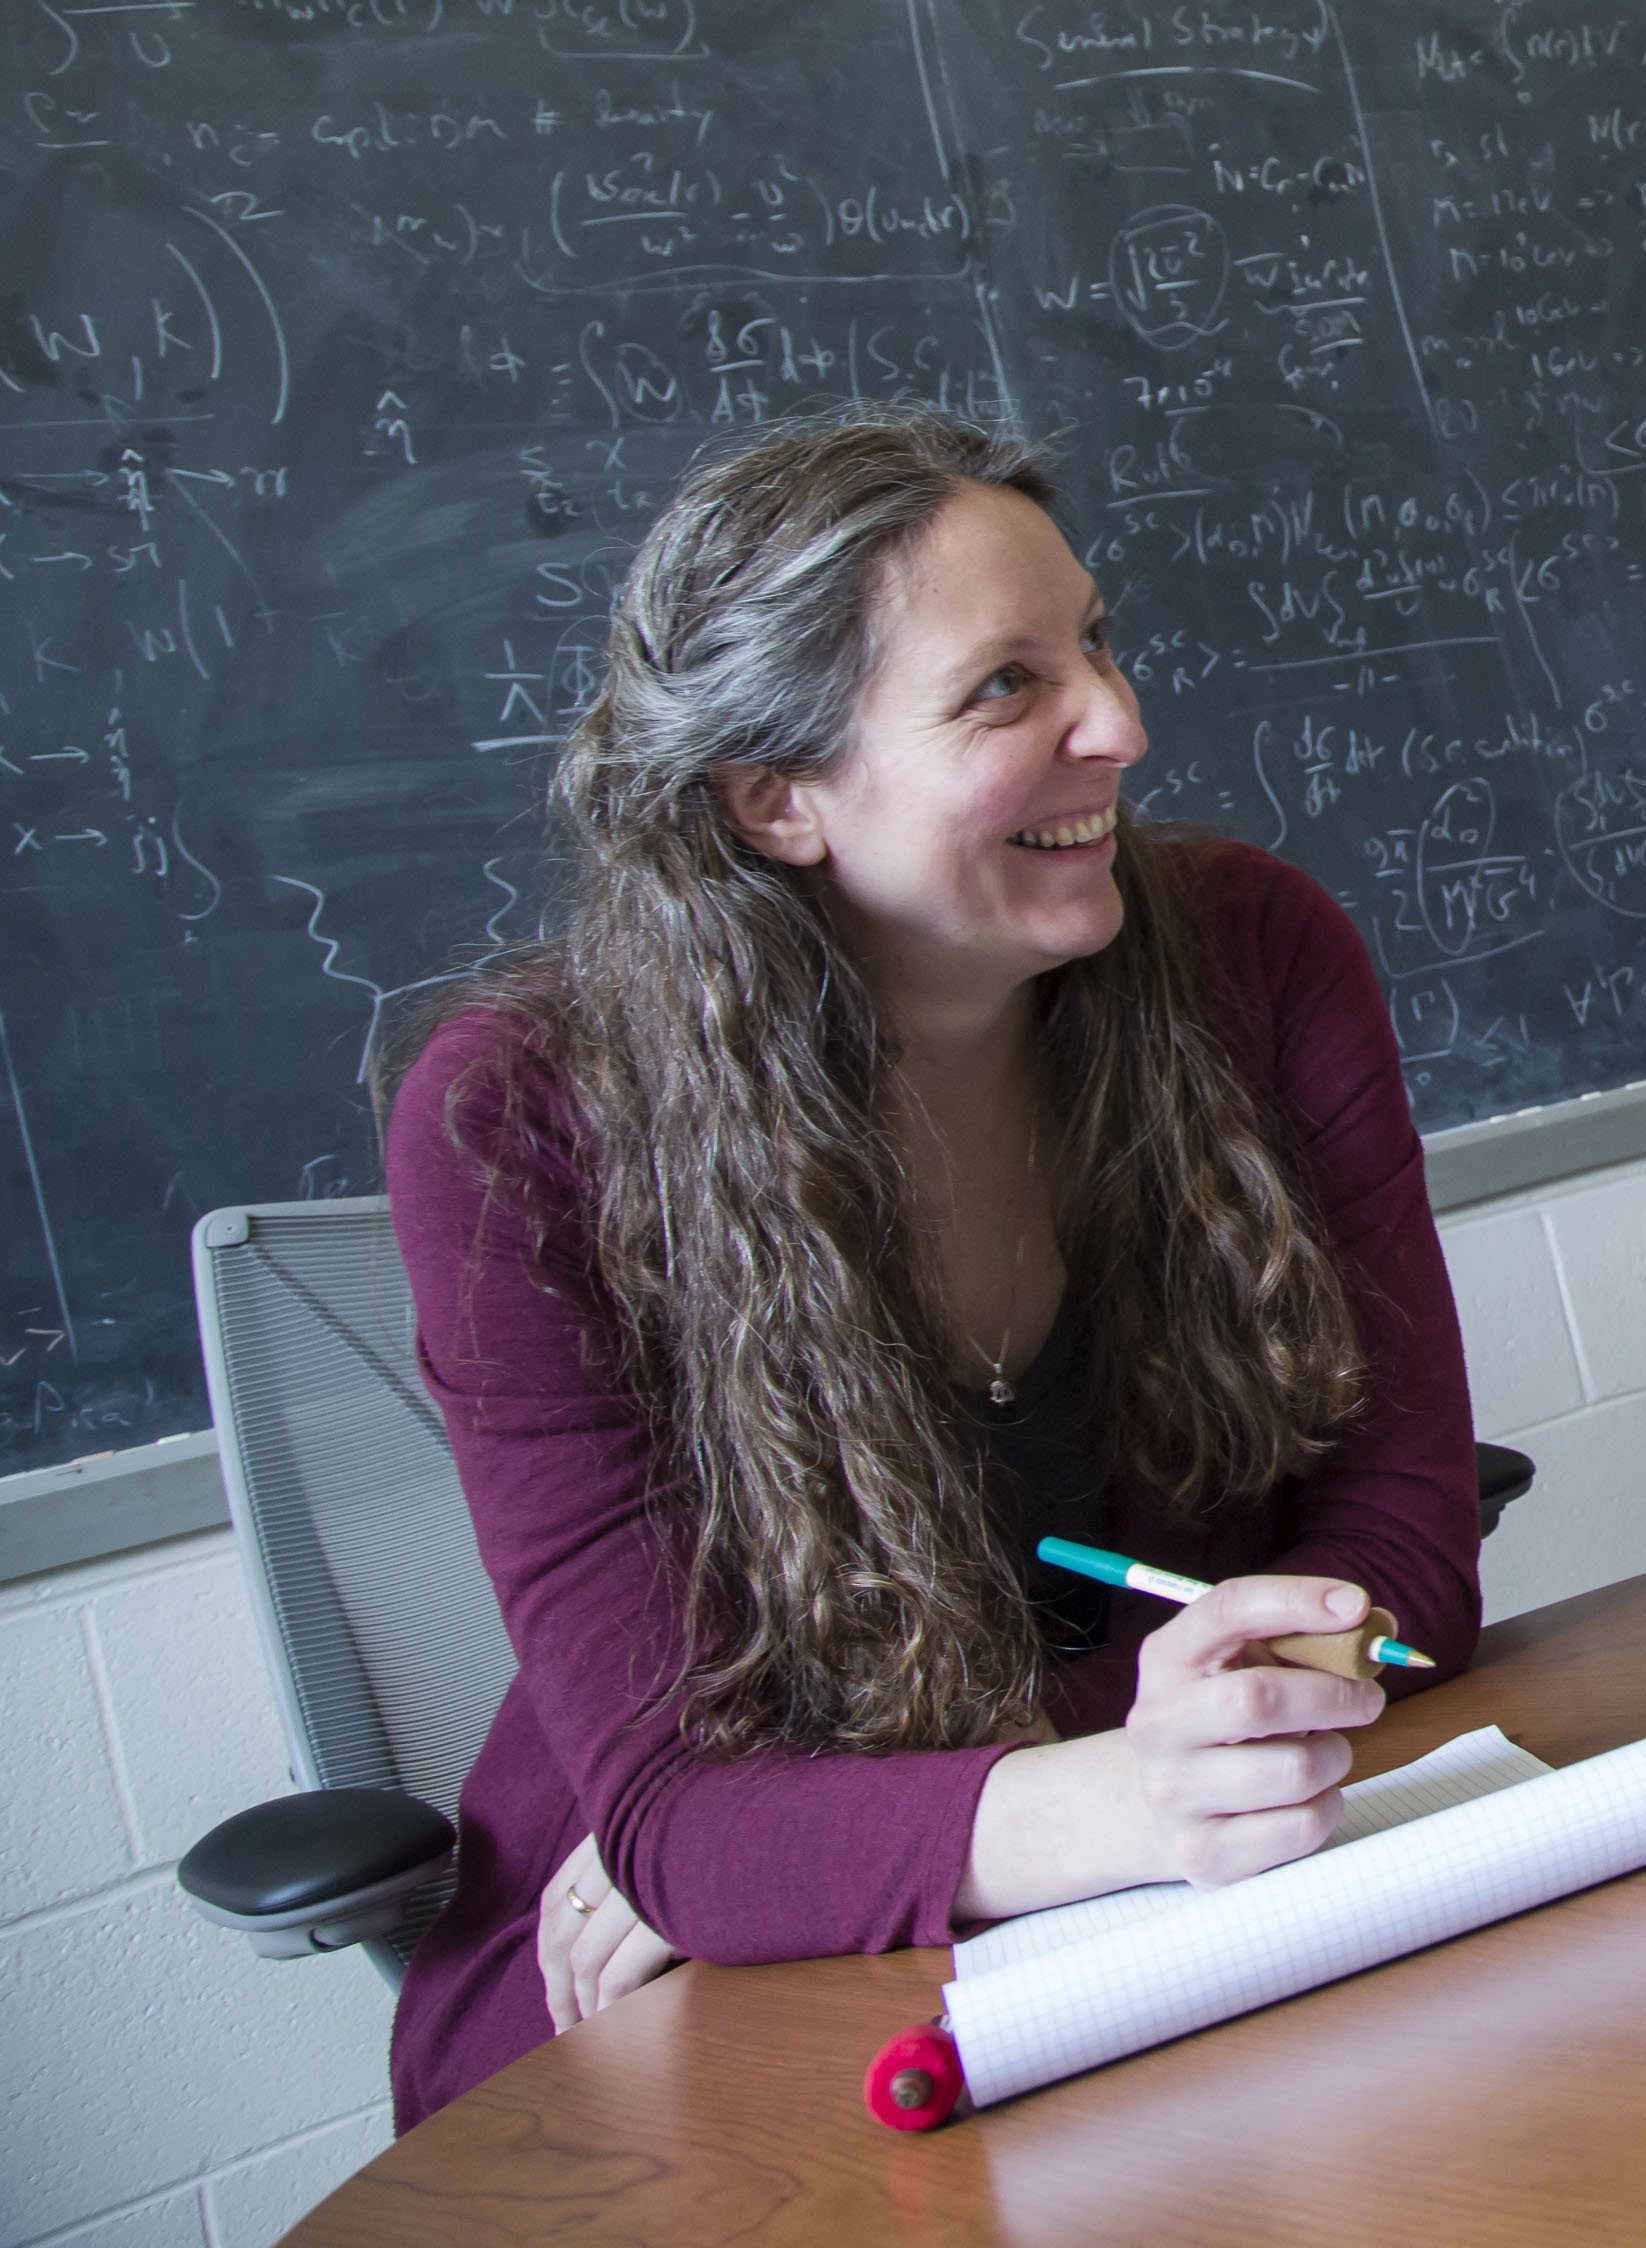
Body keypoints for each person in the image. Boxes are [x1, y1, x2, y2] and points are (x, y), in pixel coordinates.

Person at [380, 404, 1479, 2129]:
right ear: (778, 795)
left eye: (1095, 644)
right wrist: (1065, 1793)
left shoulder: (1259, 956)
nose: (1118, 722)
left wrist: (815, 1836)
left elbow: (1408, 1540)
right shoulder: (522, 1126)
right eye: (1003, 687)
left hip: (1149, 1913)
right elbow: (673, 1820)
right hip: (647, 2020)